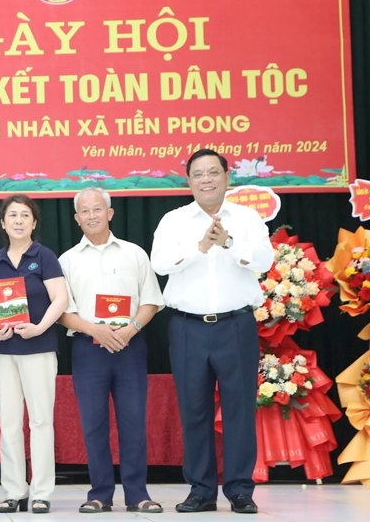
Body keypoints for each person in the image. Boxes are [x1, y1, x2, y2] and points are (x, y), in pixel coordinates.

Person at [150, 149, 274, 515]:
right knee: (194, 410)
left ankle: (239, 489)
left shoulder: (248, 218)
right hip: (187, 328)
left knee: (239, 410)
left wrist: (229, 243)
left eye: (213, 172)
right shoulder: (174, 221)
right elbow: (159, 263)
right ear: (188, 181)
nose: (206, 179)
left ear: (226, 177)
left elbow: (266, 261)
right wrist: (200, 247)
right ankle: (201, 490)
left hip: (236, 325)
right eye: (198, 174)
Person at [57, 188, 164, 514]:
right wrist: (96, 330)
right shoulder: (67, 260)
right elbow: (61, 312)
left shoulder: (134, 253)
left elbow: (151, 300)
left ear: (110, 212)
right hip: (88, 349)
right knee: (94, 425)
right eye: (85, 211)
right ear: (77, 219)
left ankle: (137, 495)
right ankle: (99, 494)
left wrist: (131, 329)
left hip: (130, 347)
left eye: (97, 209)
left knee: (133, 422)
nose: (92, 215)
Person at [0, 194, 68, 514]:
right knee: (9, 423)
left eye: (24, 215)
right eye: (12, 215)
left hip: (38, 348)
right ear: (2, 223)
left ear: (34, 222)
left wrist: (40, 327)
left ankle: (41, 491)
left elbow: (60, 299)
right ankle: (14, 490)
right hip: (4, 350)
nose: (18, 220)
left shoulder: (44, 256)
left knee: (41, 421)